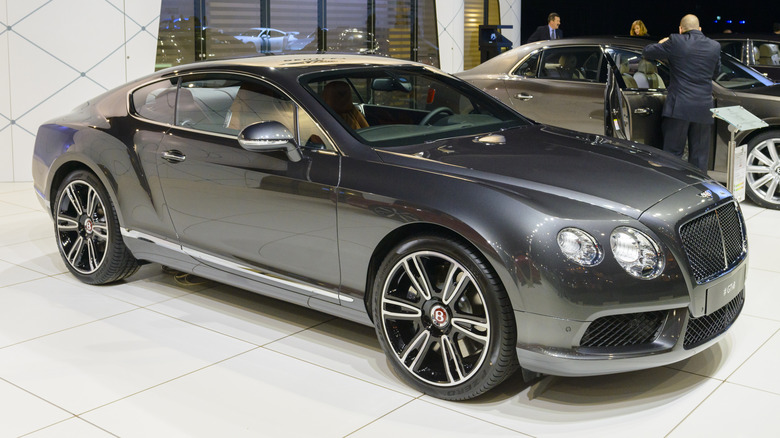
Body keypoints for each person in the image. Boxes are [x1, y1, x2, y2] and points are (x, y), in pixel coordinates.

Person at [642, 14, 720, 172]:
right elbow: (715, 73)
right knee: (700, 157)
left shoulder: (675, 41)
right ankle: (699, 190)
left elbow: (647, 52)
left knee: (673, 154)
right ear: (700, 29)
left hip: (680, 106)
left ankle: (674, 191)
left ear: (680, 29)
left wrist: (663, 42)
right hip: (704, 107)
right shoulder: (714, 46)